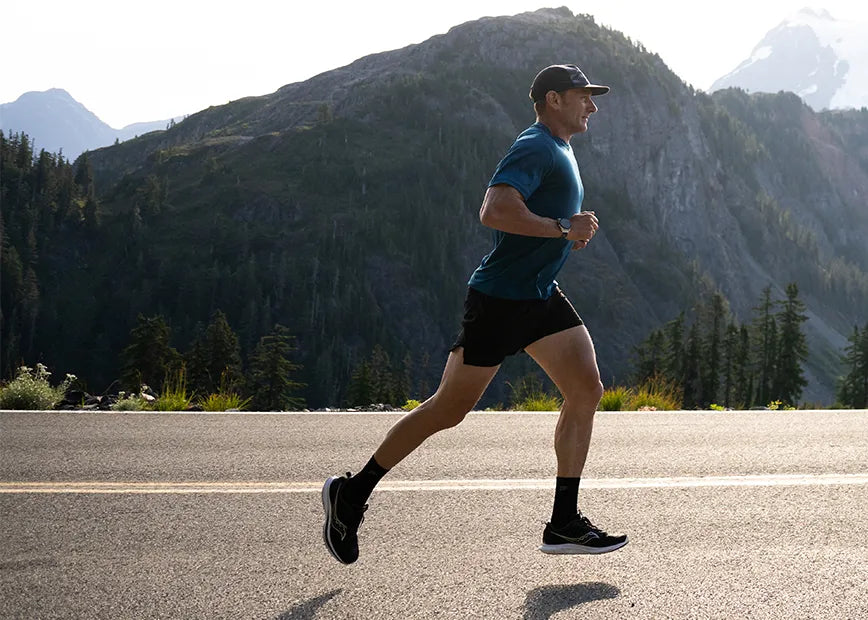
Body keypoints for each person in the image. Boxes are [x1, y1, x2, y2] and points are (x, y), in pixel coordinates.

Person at [322, 64, 628, 565]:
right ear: (554, 99)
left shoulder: (561, 148)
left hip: (538, 295)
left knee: (587, 389)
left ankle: (564, 522)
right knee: (448, 409)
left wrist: (566, 231)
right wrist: (561, 227)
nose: (591, 106)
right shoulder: (534, 146)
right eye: (582, 97)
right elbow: (494, 210)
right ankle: (351, 494)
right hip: (501, 300)